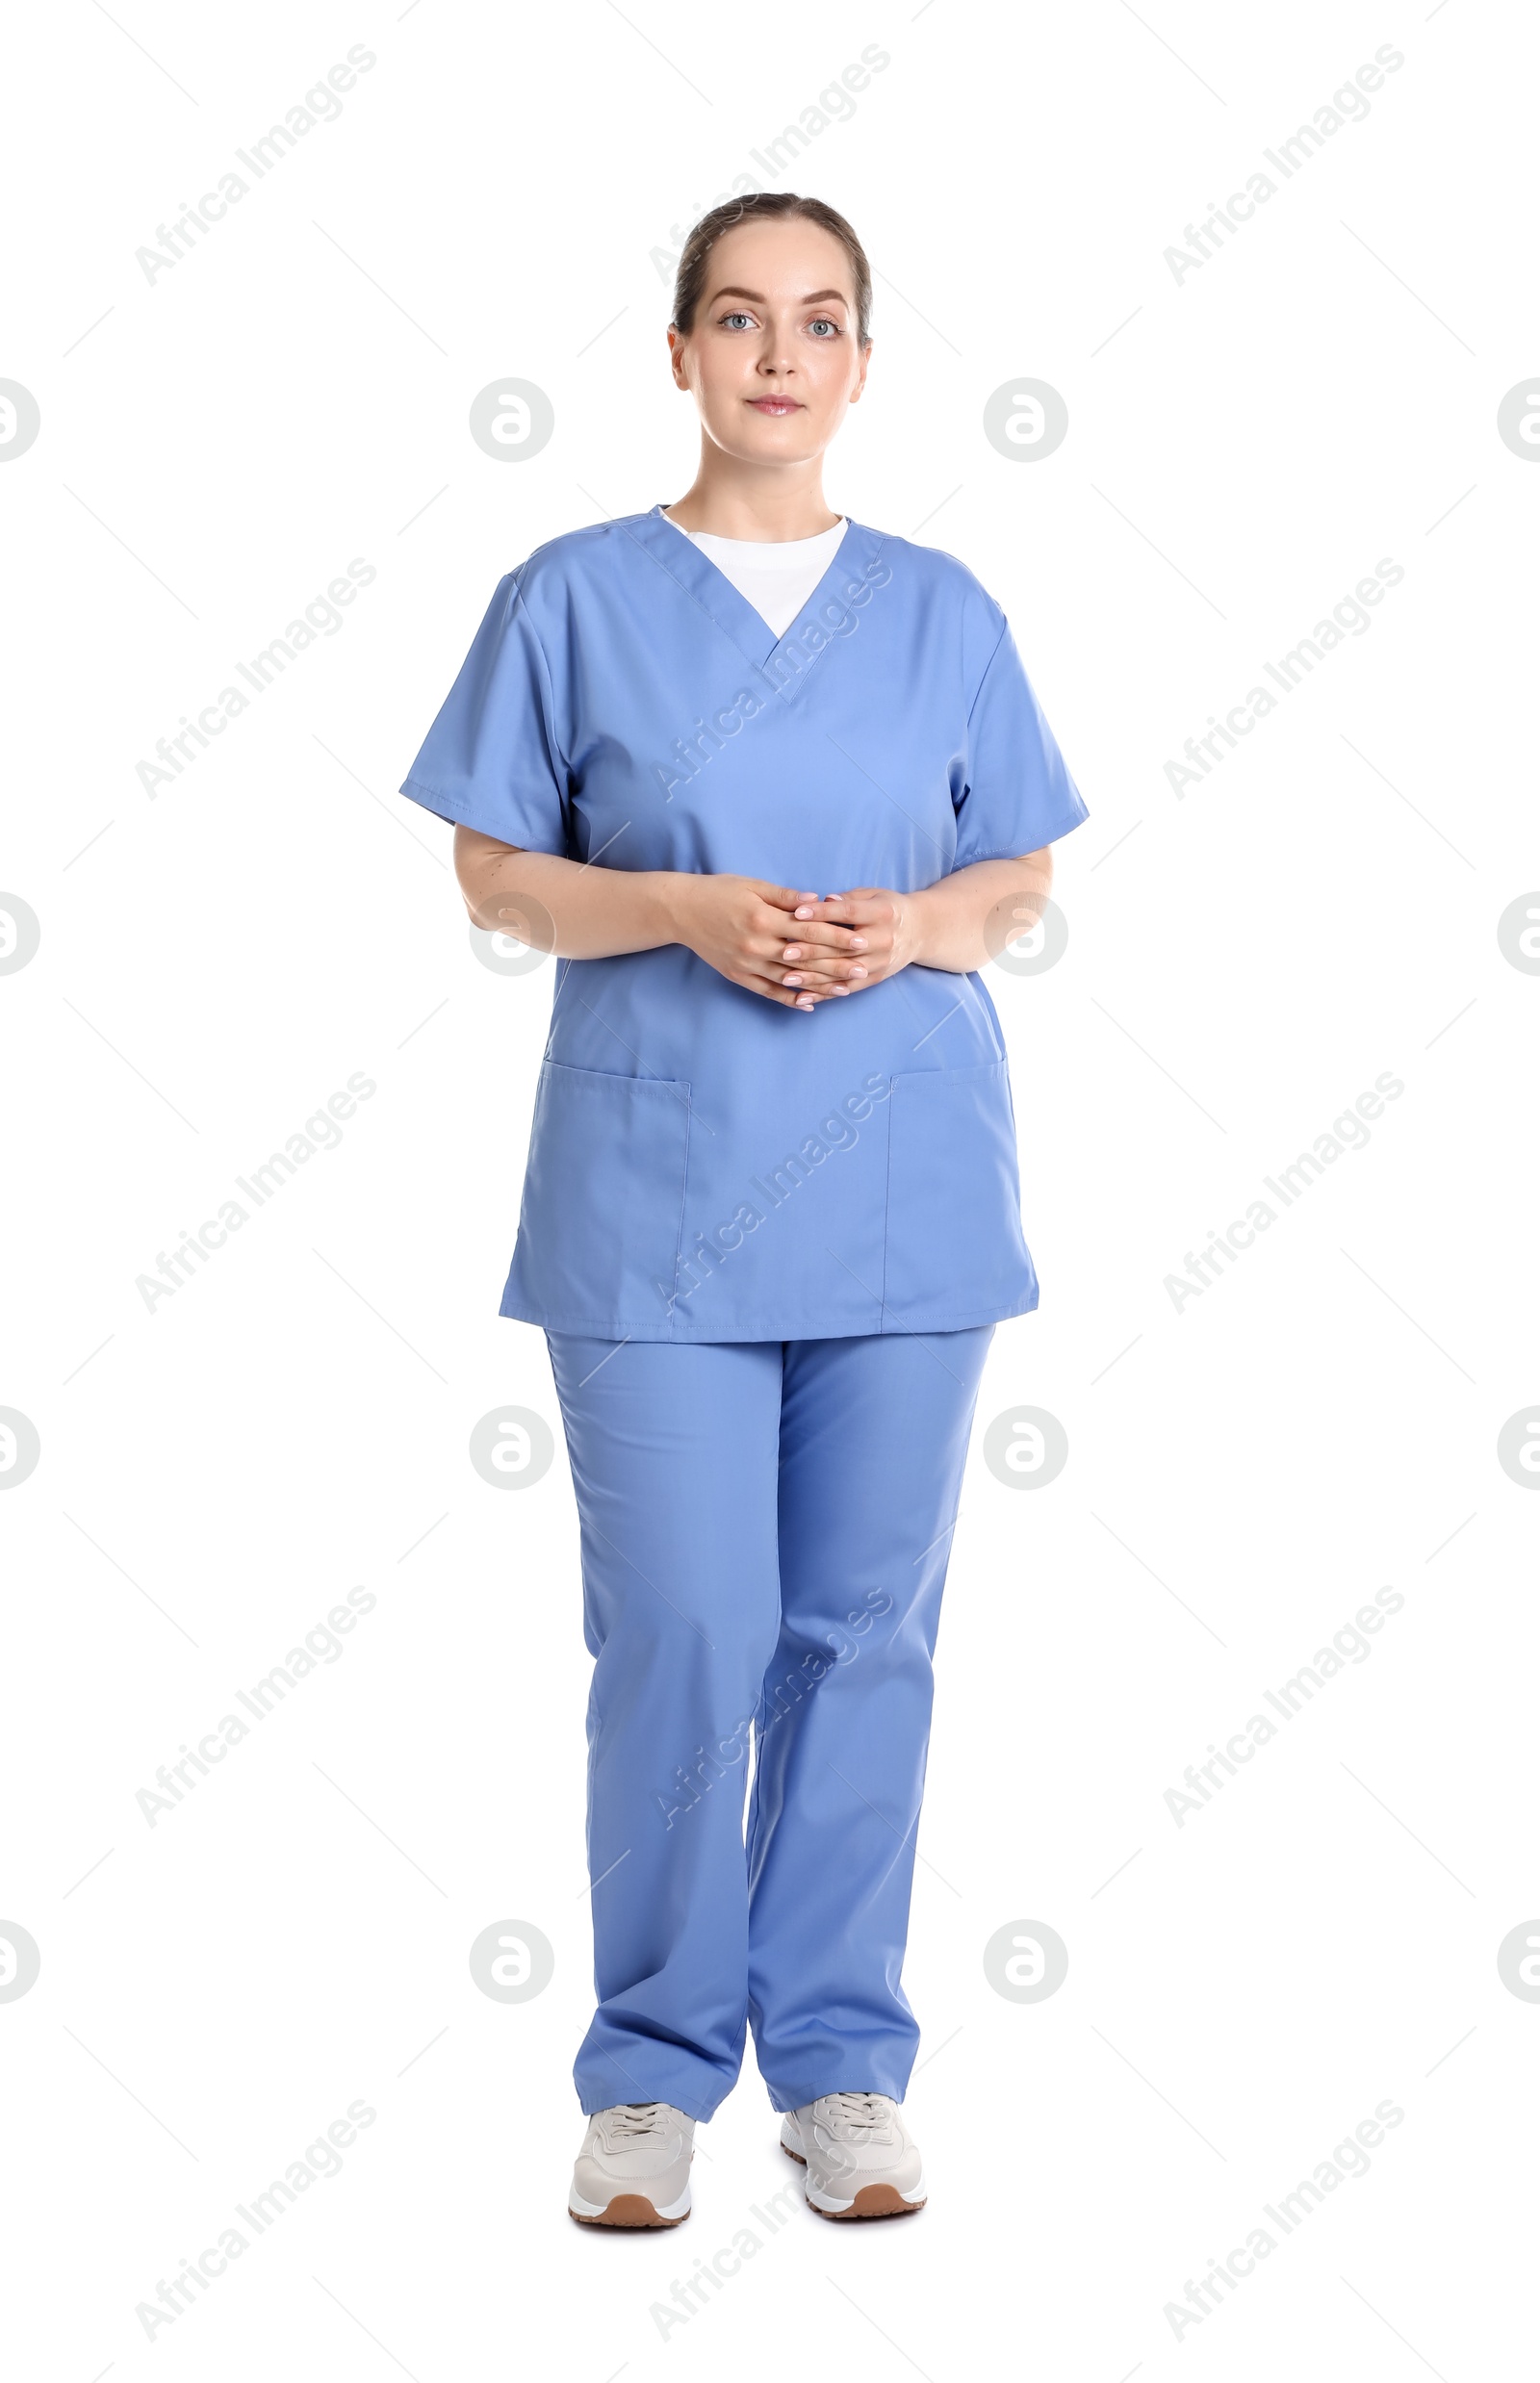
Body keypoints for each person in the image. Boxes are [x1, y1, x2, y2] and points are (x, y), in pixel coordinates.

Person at [398, 192, 1089, 2225]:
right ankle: (649, 2069)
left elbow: (1014, 879)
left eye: (817, 320)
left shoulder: (944, 609)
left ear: (861, 365)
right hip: (654, 1194)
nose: (777, 353)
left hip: (901, 1186)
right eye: (736, 317)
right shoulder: (574, 594)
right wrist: (681, 909)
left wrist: (913, 930)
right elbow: (494, 878)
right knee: (687, 1635)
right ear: (680, 354)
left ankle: (845, 2061)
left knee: (861, 1631)